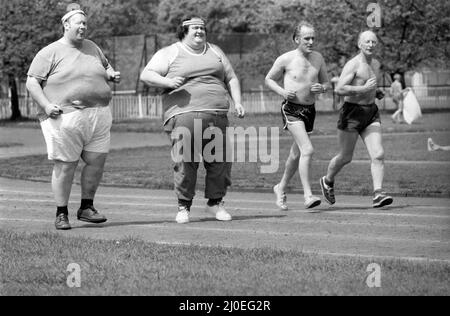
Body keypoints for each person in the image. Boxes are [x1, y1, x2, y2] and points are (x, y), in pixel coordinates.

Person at [140, 17, 245, 224]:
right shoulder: (170, 52)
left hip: (217, 114)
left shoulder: (215, 51)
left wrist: (238, 102)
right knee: (186, 160)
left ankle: (215, 203)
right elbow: (147, 74)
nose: (200, 31)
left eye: (202, 28)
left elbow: (231, 77)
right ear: (184, 31)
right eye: (195, 28)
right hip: (183, 114)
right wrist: (168, 81)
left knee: (219, 160)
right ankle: (183, 206)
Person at [26, 4, 121, 230]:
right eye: (79, 23)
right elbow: (32, 82)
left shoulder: (92, 47)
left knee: (96, 161)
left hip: (98, 114)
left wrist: (111, 74)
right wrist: (47, 106)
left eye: (85, 23)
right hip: (64, 116)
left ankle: (87, 207)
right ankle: (61, 213)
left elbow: (105, 66)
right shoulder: (49, 52)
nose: (83, 27)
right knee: (66, 165)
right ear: (66, 25)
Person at [319, 30, 393, 208]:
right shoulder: (353, 64)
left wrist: (376, 92)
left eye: (373, 42)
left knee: (378, 154)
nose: (370, 45)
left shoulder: (376, 63)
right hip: (351, 113)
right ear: (359, 44)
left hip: (371, 113)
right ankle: (327, 180)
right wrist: (363, 89)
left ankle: (378, 193)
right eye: (367, 42)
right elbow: (340, 89)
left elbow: (369, 86)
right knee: (345, 157)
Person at [265, 21, 329, 210]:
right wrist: (282, 92)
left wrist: (322, 87)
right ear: (296, 39)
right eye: (306, 38)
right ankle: (308, 195)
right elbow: (268, 79)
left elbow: (326, 83)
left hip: (310, 110)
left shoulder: (318, 58)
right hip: (291, 109)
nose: (310, 41)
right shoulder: (285, 59)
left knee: (296, 153)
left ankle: (280, 187)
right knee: (307, 150)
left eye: (313, 38)